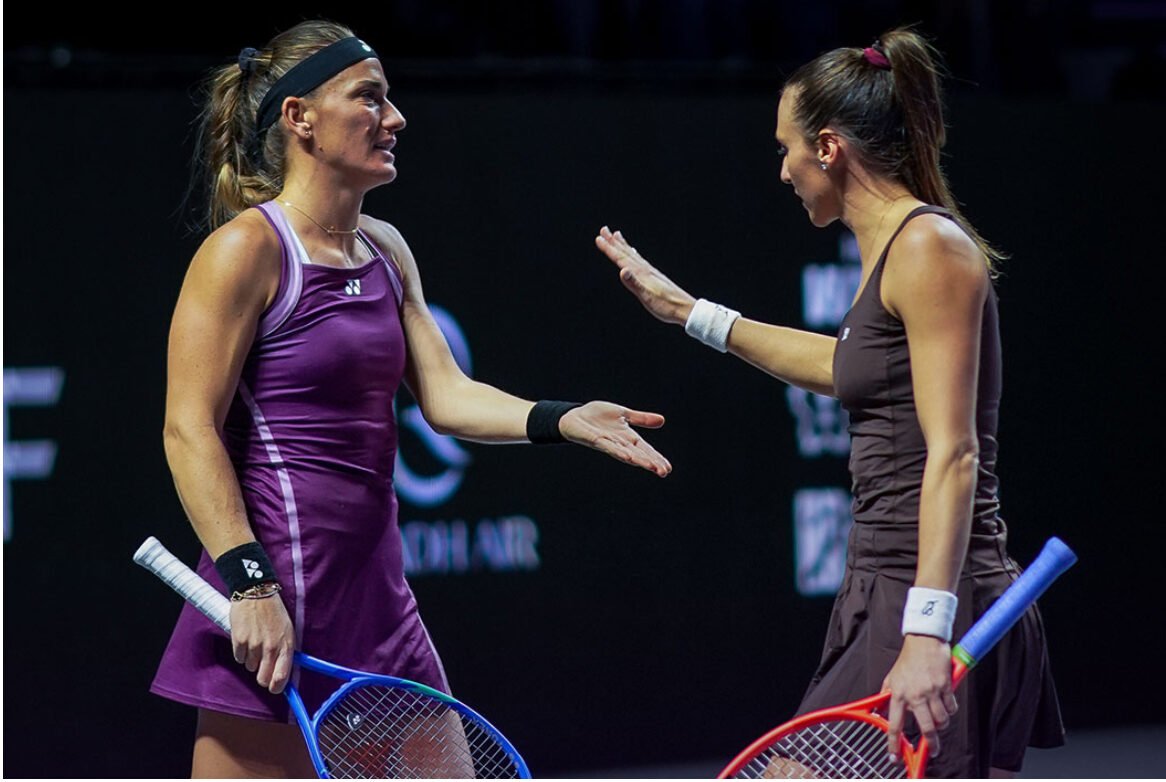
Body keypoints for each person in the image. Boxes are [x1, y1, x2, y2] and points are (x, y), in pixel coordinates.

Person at [150, 19, 672, 778]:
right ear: (299, 118)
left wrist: (562, 419)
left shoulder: (386, 249)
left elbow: (448, 397)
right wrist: (251, 583)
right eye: (370, 98)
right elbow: (187, 428)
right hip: (275, 603)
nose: (395, 119)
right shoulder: (245, 252)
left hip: (382, 608)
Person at [594, 27, 1063, 778]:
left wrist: (926, 631)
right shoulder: (891, 250)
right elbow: (847, 365)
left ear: (828, 147)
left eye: (785, 149)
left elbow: (955, 452)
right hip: (887, 585)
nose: (782, 171)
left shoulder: (925, 247)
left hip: (931, 593)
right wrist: (689, 312)